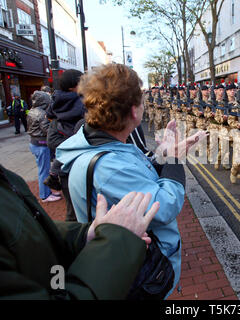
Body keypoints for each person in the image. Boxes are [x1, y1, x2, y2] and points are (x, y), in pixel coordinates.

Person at [0, 62, 159, 299]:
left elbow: (25, 231)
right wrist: (116, 240)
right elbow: (162, 204)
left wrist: (86, 233)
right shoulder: (107, 161)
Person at [56, 64, 207, 298]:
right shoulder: (109, 166)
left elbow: (140, 175)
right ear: (135, 111)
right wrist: (175, 160)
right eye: (142, 101)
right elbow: (165, 205)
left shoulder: (109, 145)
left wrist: (164, 155)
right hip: (142, 272)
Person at [44, 69, 85, 221]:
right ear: (72, 86)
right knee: (77, 210)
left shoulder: (56, 101)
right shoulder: (81, 102)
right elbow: (51, 140)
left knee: (73, 210)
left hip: (65, 164)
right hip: (74, 166)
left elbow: (49, 117)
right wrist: (78, 143)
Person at [27, 91, 61, 202]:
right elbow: (46, 130)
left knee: (42, 169)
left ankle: (46, 192)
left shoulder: (31, 111)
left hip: (33, 143)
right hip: (41, 144)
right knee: (44, 171)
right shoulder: (41, 114)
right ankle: (45, 195)